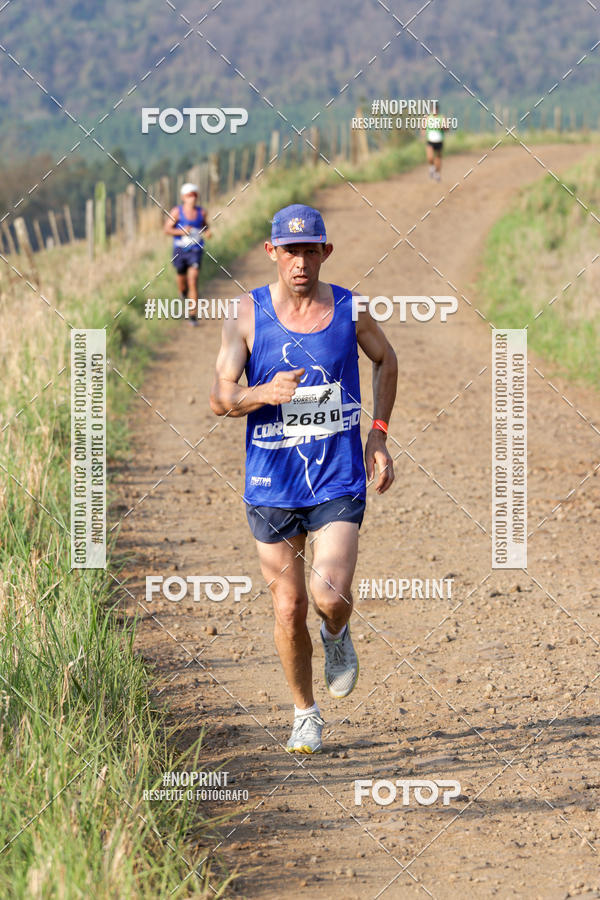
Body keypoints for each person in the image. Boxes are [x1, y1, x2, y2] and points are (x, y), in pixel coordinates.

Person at [209, 203, 398, 753]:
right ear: (272, 251)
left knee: (329, 593)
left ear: (325, 252)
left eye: (310, 251)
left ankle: (336, 632)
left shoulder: (349, 308)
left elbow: (386, 360)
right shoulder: (245, 315)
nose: (299, 262)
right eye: (289, 251)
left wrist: (378, 435)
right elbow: (219, 397)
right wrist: (262, 393)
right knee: (288, 608)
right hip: (272, 481)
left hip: (337, 475)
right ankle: (304, 713)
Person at [164, 183, 211, 325]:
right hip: (180, 250)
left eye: (195, 195)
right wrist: (182, 231)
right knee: (182, 280)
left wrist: (207, 232)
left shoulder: (201, 212)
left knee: (193, 280)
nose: (192, 198)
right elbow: (167, 229)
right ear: (183, 197)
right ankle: (183, 293)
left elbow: (205, 226)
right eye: (189, 195)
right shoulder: (176, 212)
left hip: (195, 249)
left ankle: (192, 315)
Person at [423, 106, 446, 181]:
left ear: (437, 110)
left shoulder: (442, 117)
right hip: (430, 140)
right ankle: (432, 167)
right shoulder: (427, 118)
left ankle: (437, 173)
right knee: (430, 157)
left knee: (438, 158)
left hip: (439, 140)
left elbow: (446, 128)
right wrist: (423, 133)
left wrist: (443, 127)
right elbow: (423, 127)